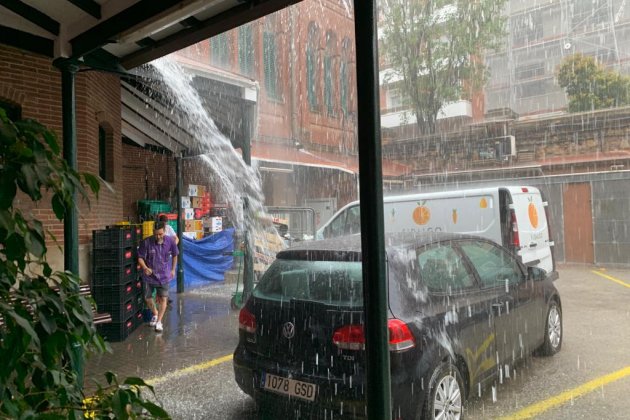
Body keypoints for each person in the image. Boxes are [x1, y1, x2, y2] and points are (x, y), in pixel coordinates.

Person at [137, 221, 179, 332]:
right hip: (148, 276)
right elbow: (140, 257)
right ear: (152, 232)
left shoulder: (170, 241)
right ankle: (155, 313)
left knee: (163, 298)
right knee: (147, 297)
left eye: (160, 234)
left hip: (164, 275)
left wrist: (173, 269)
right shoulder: (146, 242)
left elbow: (175, 255)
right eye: (155, 234)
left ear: (164, 231)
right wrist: (145, 267)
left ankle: (159, 321)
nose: (158, 236)